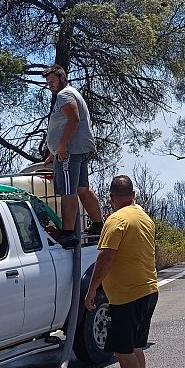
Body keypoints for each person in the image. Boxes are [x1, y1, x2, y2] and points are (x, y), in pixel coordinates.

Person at [85, 175, 159, 368]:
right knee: (135, 348)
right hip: (149, 290)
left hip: (128, 297)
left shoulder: (116, 220)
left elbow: (106, 258)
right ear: (133, 194)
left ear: (111, 198)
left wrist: (91, 289)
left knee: (123, 352)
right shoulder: (145, 218)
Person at [42, 64, 104, 243]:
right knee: (83, 189)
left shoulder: (65, 95)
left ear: (62, 78)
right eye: (48, 83)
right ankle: (99, 225)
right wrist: (53, 153)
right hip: (78, 150)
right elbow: (63, 125)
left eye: (53, 81)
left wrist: (61, 147)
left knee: (68, 192)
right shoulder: (71, 93)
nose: (50, 85)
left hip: (69, 152)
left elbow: (74, 120)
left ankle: (68, 234)